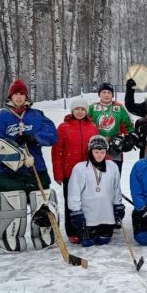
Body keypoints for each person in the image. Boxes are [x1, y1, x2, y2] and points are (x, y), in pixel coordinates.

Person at [0, 79, 59, 252]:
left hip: (36, 168)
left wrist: (35, 138)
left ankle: (43, 235)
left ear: (26, 96)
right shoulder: (0, 117)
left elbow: (52, 134)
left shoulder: (37, 115)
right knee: (12, 205)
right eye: (15, 94)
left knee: (41, 203)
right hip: (9, 171)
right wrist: (13, 149)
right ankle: (9, 236)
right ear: (10, 96)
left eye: (22, 94)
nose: (19, 97)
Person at [51, 96, 99, 243]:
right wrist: (58, 173)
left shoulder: (92, 127)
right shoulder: (63, 127)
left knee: (88, 201)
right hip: (70, 173)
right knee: (71, 202)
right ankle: (73, 231)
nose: (79, 111)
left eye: (82, 109)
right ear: (72, 110)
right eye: (77, 109)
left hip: (88, 171)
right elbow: (57, 152)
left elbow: (97, 150)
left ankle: (88, 227)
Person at [67, 136, 124, 247]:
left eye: (102, 152)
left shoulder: (112, 167)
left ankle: (105, 227)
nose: (99, 155)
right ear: (90, 151)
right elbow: (74, 193)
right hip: (88, 217)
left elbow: (116, 189)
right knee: (87, 243)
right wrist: (76, 213)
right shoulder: (80, 168)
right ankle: (87, 229)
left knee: (104, 241)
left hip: (106, 216)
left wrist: (118, 205)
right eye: (96, 151)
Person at [87, 82, 135, 174]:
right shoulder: (92, 108)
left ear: (112, 95)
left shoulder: (119, 107)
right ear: (99, 94)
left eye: (109, 93)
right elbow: (85, 125)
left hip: (115, 147)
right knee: (97, 176)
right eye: (104, 92)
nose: (106, 95)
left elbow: (130, 125)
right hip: (97, 147)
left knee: (114, 175)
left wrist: (130, 137)